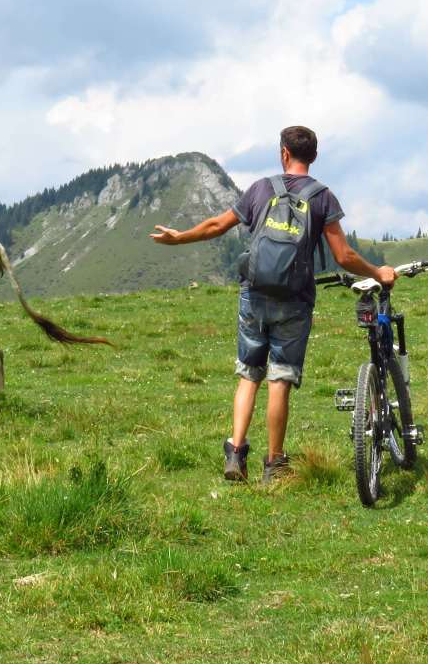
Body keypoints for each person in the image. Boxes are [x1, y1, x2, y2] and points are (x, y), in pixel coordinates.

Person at [150, 125, 396, 483]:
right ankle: (274, 463)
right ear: (313, 156)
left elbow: (218, 224)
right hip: (294, 300)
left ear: (284, 152)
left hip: (255, 293)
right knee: (279, 380)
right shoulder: (322, 197)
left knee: (249, 375)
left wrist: (179, 238)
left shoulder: (261, 188)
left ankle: (235, 451)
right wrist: (377, 271)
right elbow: (343, 255)